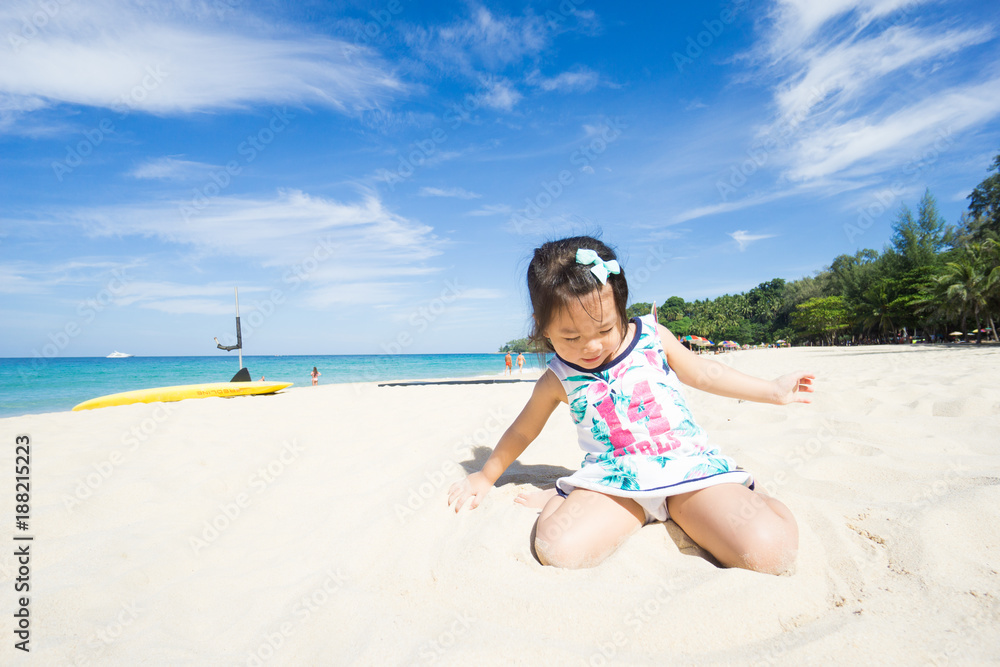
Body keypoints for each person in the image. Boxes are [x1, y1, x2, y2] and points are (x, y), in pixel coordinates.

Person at [448, 236, 814, 573]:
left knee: (770, 553)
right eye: (571, 336)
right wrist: (485, 476)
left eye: (605, 329)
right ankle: (562, 493)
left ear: (622, 310)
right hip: (616, 482)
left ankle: (744, 488)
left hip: (688, 472)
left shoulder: (653, 337)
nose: (590, 347)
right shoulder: (557, 379)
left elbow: (704, 373)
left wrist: (774, 391)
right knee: (559, 550)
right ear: (543, 328)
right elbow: (523, 430)